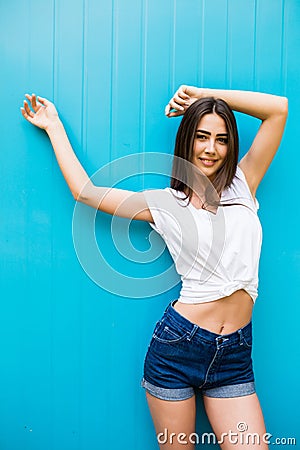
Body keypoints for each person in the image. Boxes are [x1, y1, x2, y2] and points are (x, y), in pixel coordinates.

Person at [21, 85, 288, 449]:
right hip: (178, 348)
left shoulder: (244, 183)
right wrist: (53, 126)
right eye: (202, 136)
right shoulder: (164, 204)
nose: (211, 148)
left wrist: (203, 95)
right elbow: (86, 192)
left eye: (221, 140)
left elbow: (278, 110)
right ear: (187, 141)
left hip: (235, 355)